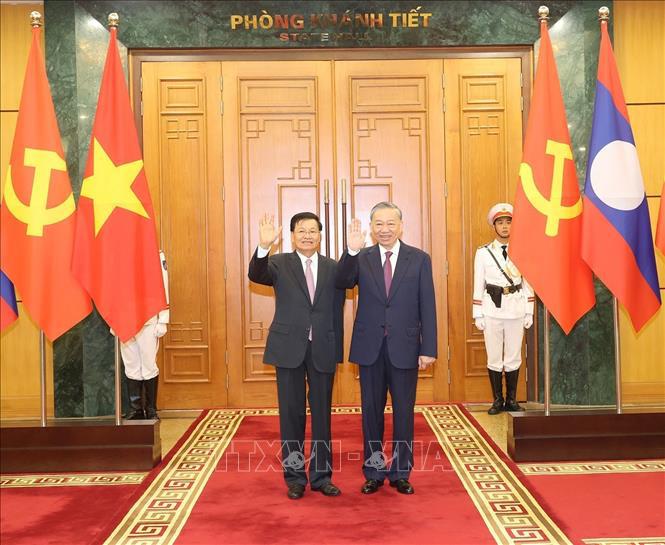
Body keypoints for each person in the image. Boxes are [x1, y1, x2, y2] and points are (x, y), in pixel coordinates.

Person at [336, 202, 437, 495]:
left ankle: (401, 472)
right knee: (371, 412)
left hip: (405, 346)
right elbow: (342, 282)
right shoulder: (362, 257)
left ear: (401, 226)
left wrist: (427, 347)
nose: (385, 230)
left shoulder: (419, 259)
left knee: (404, 412)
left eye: (390, 223)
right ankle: (374, 471)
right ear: (371, 227)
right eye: (378, 224)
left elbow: (427, 305)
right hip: (370, 347)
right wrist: (351, 251)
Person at [248, 212, 345, 500]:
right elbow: (257, 274)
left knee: (322, 416)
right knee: (291, 415)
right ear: (291, 236)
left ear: (320, 236)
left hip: (322, 348)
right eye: (301, 230)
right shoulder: (278, 263)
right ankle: (294, 478)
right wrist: (264, 246)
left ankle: (322, 476)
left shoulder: (333, 267)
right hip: (288, 348)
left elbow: (348, 286)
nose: (307, 235)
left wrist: (352, 251)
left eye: (312, 231)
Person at [472, 203, 534, 415]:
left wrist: (529, 310)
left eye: (509, 222)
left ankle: (512, 399)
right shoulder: (483, 253)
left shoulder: (523, 249)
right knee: (494, 356)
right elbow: (478, 283)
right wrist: (477, 313)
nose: (505, 226)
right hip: (491, 310)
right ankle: (497, 400)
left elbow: (528, 282)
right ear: (494, 226)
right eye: (500, 222)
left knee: (514, 355)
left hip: (516, 308)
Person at [121, 250, 169, 420]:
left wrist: (163, 319)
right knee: (130, 364)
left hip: (148, 317)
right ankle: (135, 409)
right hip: (124, 317)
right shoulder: (117, 251)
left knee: (148, 364)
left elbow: (163, 284)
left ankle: (150, 408)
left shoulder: (154, 252)